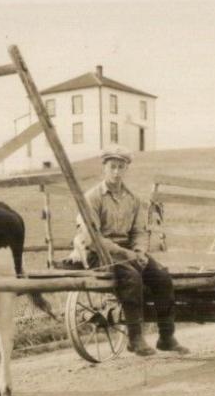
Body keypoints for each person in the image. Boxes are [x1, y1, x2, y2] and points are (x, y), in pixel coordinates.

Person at [66, 145, 189, 356]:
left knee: (162, 277)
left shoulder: (133, 199)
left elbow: (139, 231)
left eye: (120, 167)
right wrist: (128, 255)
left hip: (128, 253)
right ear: (104, 168)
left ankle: (167, 337)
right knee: (132, 278)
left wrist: (140, 252)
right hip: (99, 254)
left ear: (126, 169)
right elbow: (92, 239)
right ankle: (135, 339)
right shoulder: (92, 198)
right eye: (112, 167)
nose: (116, 172)